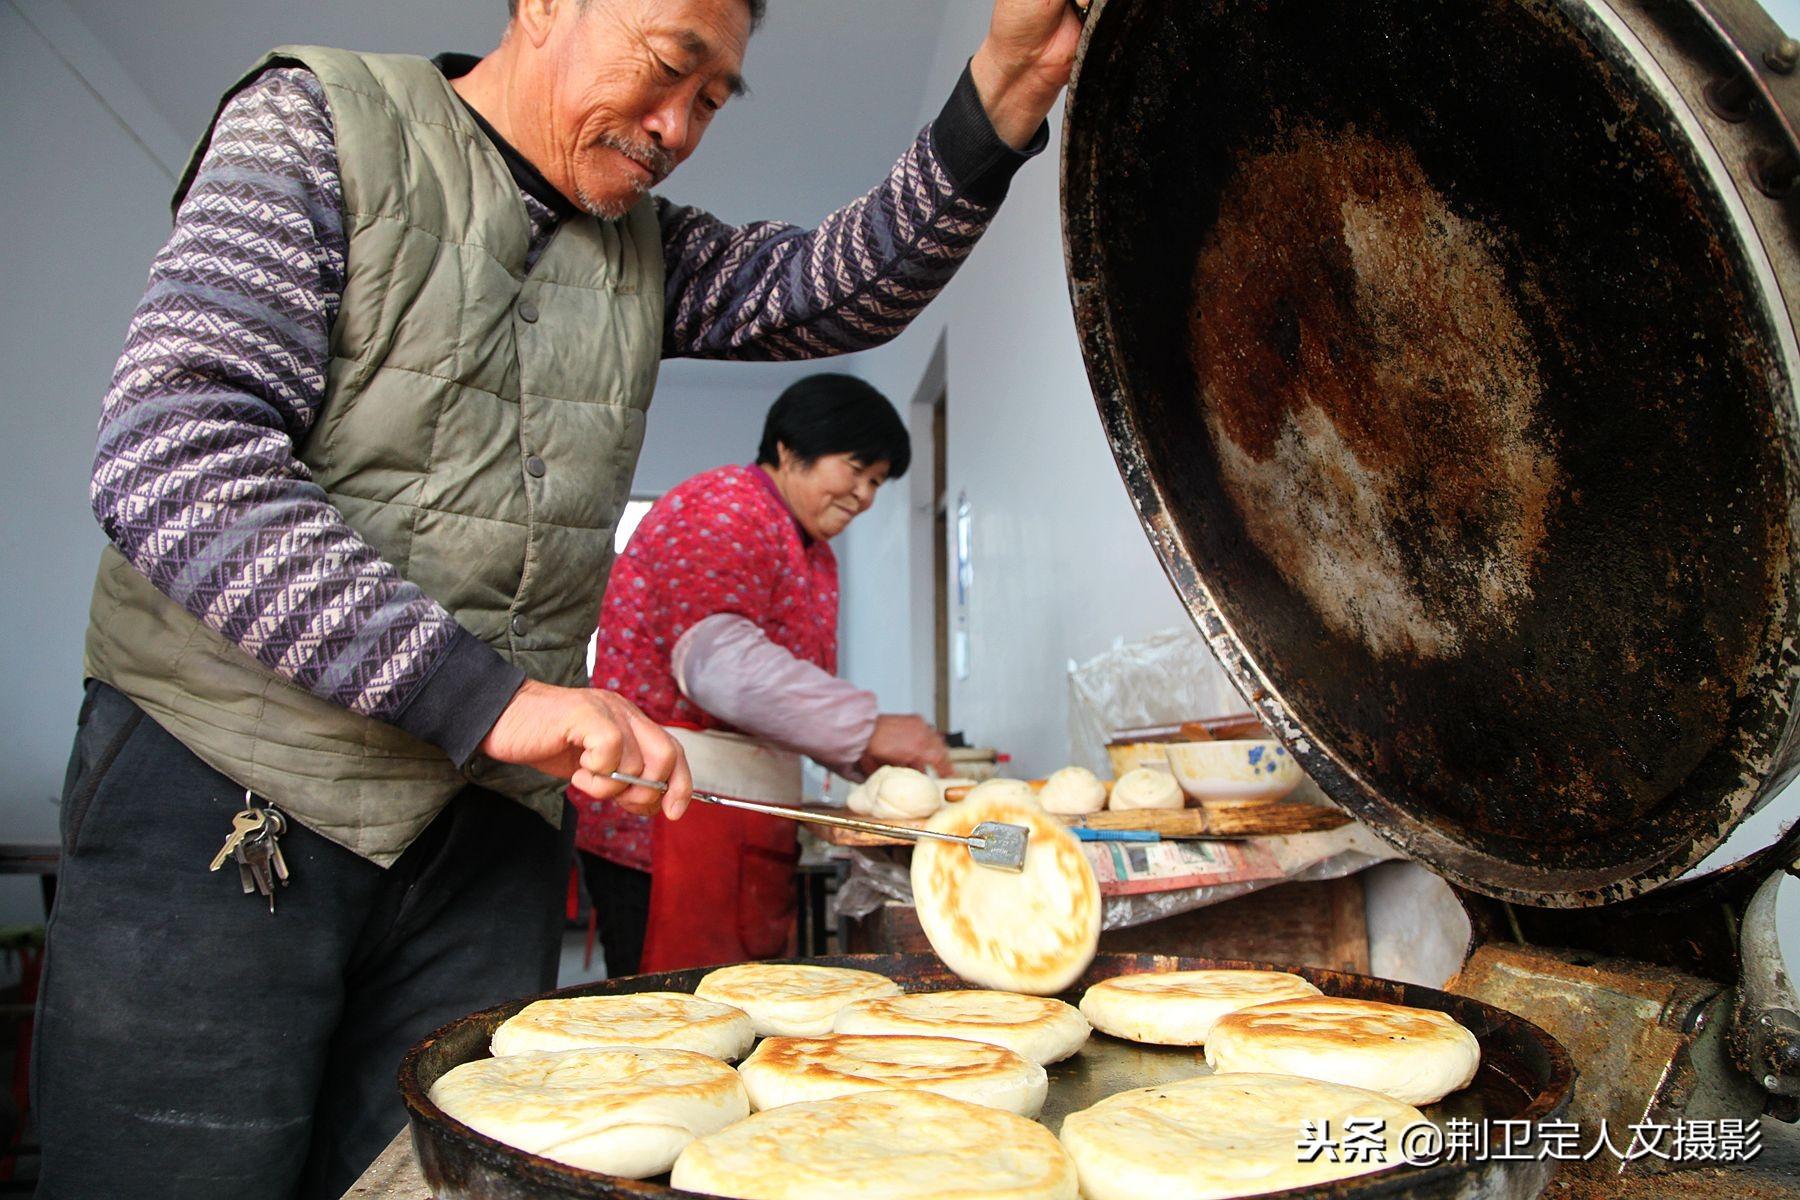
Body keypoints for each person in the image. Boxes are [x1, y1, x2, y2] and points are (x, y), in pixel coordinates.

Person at [35, 0, 1085, 1194]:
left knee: (441, 1177)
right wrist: (490, 700)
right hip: (230, 798)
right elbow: (174, 458)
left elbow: (827, 288)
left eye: (713, 99)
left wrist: (1003, 92)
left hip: (480, 838)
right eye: (669, 69)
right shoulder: (320, 128)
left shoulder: (641, 243)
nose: (678, 127)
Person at [578, 373, 952, 975]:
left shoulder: (807, 549)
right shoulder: (725, 506)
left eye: (877, 482)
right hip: (670, 822)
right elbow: (718, 665)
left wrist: (864, 760)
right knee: (675, 1026)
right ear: (788, 447)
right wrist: (867, 727)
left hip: (736, 826)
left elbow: (775, 696)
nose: (865, 496)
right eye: (855, 469)